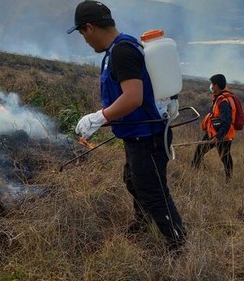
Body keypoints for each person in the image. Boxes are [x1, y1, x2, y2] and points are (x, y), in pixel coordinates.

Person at [66, 0, 186, 252]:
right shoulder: (120, 47)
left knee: (154, 193)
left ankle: (178, 246)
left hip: (148, 137)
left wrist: (99, 117)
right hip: (140, 136)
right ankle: (141, 226)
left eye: (81, 34)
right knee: (133, 180)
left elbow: (133, 97)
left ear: (89, 28)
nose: (85, 41)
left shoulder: (122, 51)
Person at [191, 74, 235, 181]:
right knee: (199, 150)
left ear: (216, 85)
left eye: (212, 84)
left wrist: (218, 137)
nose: (211, 86)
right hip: (213, 132)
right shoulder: (219, 98)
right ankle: (194, 175)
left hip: (222, 135)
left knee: (225, 157)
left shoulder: (224, 102)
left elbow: (227, 122)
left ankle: (229, 181)